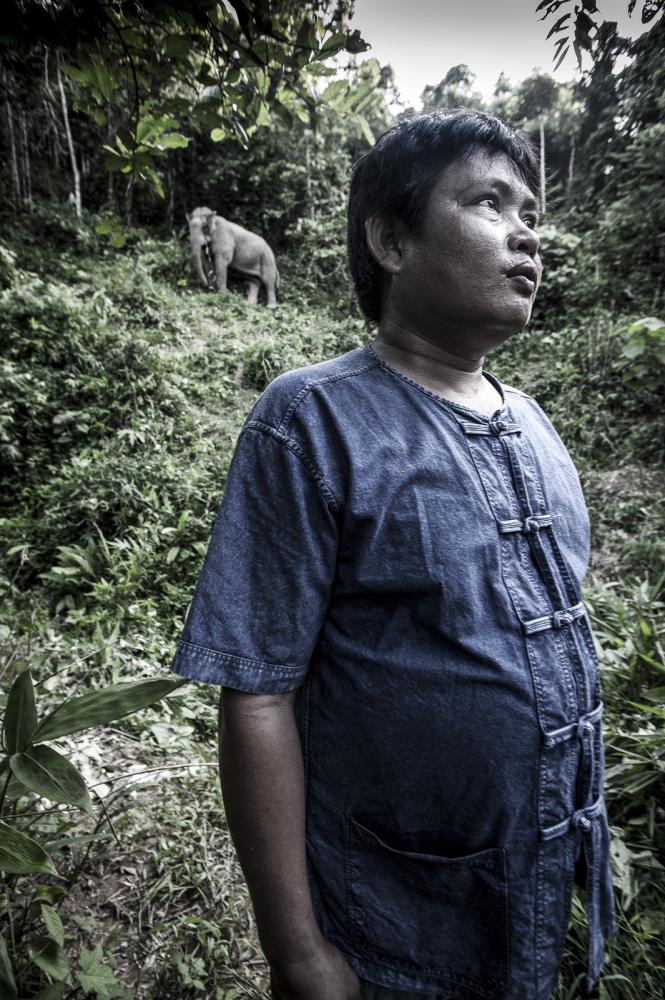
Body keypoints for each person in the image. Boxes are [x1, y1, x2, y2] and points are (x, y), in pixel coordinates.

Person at [171, 109, 616, 1000]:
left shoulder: (535, 421)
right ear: (390, 239)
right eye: (490, 203)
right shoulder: (310, 421)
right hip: (390, 921)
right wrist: (297, 953)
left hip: (534, 889)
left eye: (529, 209)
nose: (527, 231)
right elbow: (258, 694)